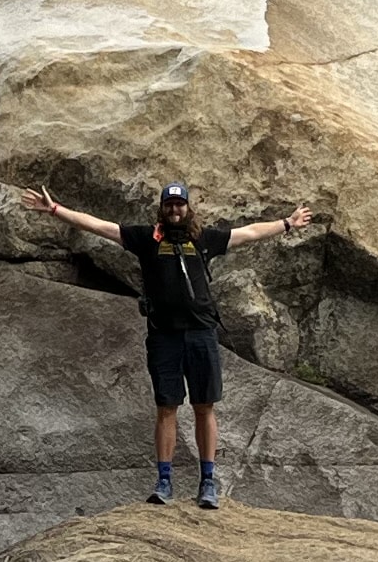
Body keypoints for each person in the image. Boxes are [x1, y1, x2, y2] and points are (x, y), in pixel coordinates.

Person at [22, 178, 312, 509]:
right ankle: (164, 481)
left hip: (201, 333)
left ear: (188, 208)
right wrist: (55, 210)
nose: (175, 210)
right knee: (167, 407)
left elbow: (249, 233)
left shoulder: (203, 238)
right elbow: (100, 226)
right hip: (164, 335)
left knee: (205, 406)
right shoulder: (146, 239)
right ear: (162, 209)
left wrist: (287, 223)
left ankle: (207, 481)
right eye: (169, 205)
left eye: (180, 205)